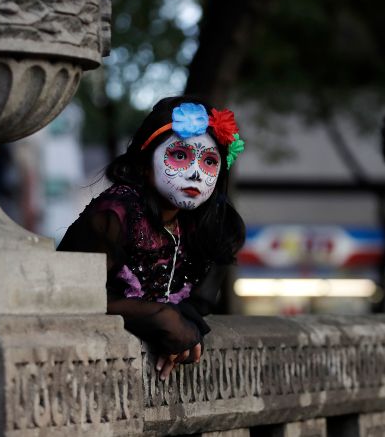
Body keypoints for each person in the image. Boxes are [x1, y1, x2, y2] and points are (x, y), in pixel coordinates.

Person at [58, 96, 246, 380]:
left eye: (209, 161)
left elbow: (198, 304)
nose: (196, 173)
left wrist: (184, 325)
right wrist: (162, 318)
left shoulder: (212, 226)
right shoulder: (116, 214)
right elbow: (72, 298)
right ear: (145, 164)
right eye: (180, 156)